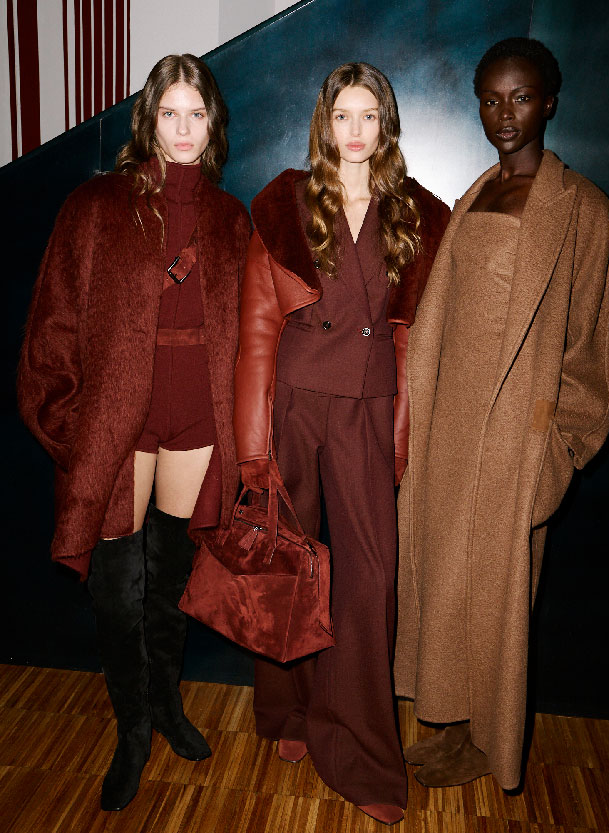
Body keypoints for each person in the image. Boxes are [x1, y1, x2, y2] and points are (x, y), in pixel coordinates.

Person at [395, 37, 609, 791]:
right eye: (491, 99)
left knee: (500, 599)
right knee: (445, 582)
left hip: (515, 439)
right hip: (450, 425)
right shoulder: (475, 195)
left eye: (521, 97)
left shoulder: (583, 208)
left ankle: (488, 742)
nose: (505, 114)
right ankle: (452, 720)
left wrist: (559, 450)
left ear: (549, 102)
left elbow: (600, 348)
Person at [17, 54, 251, 811]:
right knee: (118, 590)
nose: (182, 128)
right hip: (120, 418)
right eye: (169, 112)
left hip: (198, 414)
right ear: (147, 119)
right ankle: (133, 730)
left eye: (196, 113)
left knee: (171, 580)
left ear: (213, 124)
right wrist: (69, 430)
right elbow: (53, 323)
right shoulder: (95, 205)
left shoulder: (230, 217)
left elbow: (252, 333)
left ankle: (167, 703)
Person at [233, 62, 449, 825]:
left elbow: (413, 338)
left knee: (368, 580)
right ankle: (289, 708)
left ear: (387, 125)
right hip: (295, 401)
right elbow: (259, 326)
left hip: (366, 406)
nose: (355, 131)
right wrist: (252, 441)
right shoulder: (286, 201)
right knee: (288, 559)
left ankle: (359, 748)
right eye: (342, 115)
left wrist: (403, 434)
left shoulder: (419, 212)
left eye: (369, 116)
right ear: (324, 123)